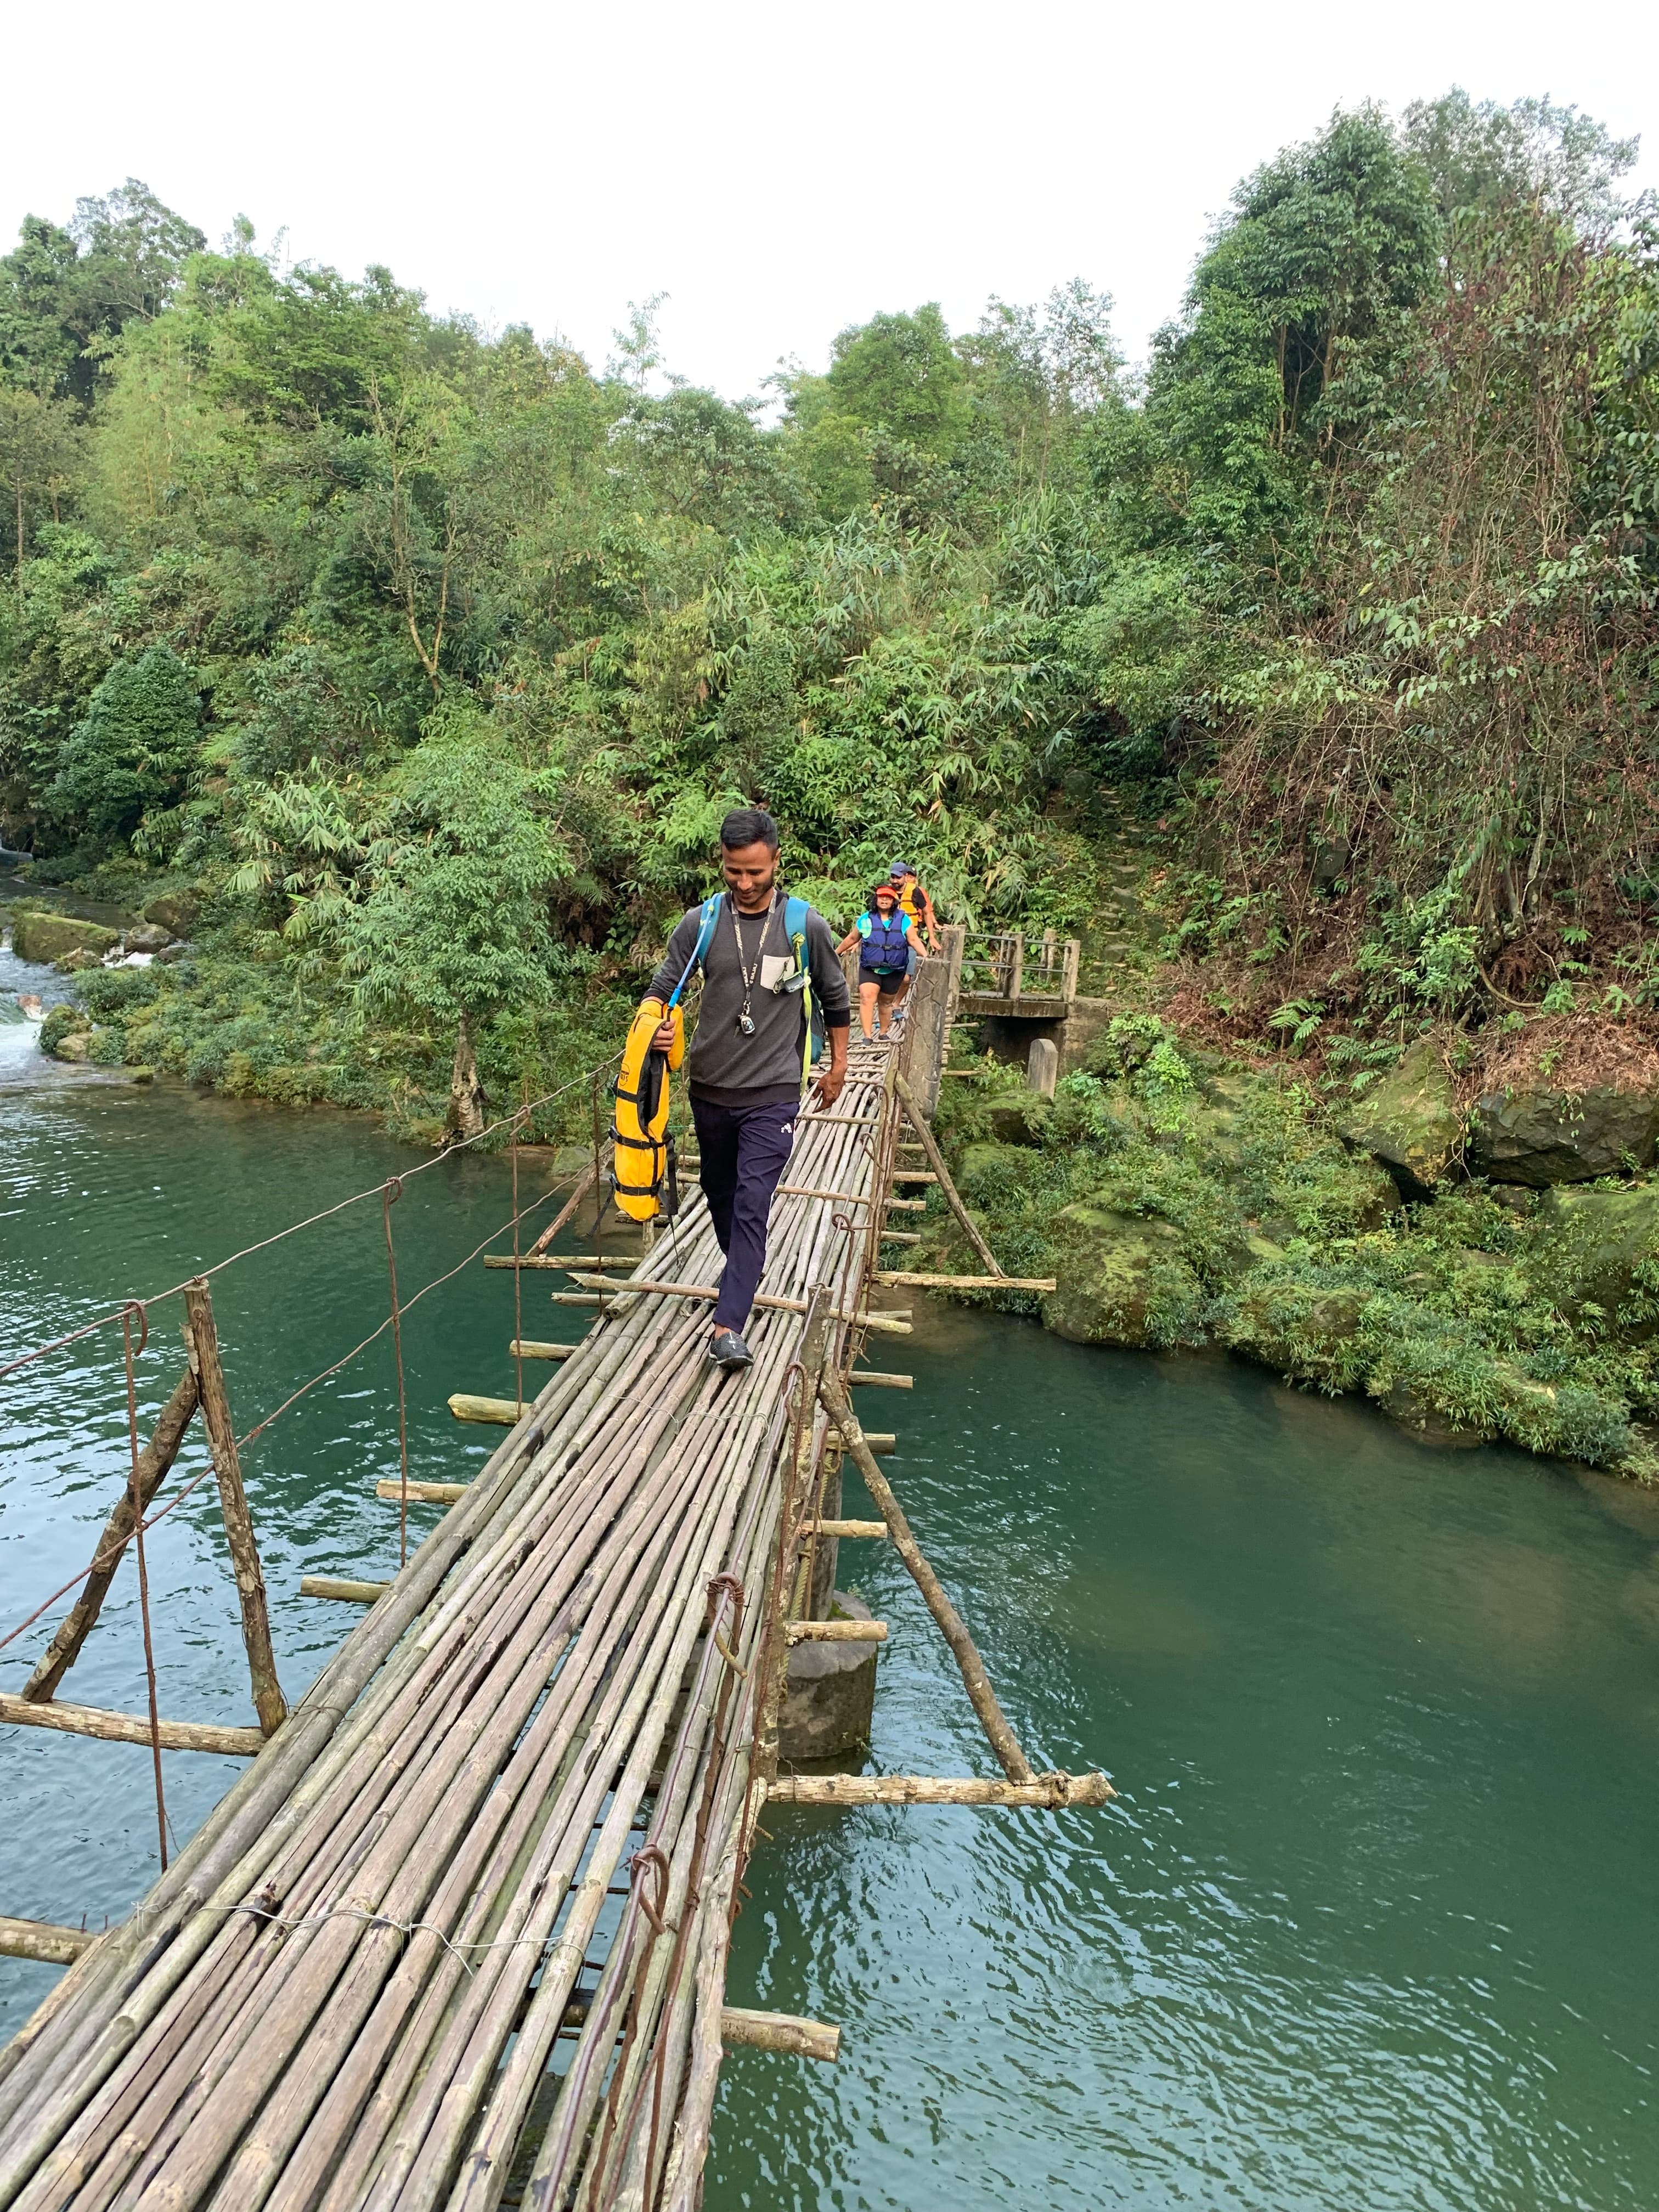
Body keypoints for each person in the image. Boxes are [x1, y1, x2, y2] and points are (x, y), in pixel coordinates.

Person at [641, 808, 850, 1373]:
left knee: (753, 1204)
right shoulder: (702, 922)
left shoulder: (806, 926)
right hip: (710, 1087)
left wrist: (839, 1066)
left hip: (774, 1091)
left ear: (777, 861)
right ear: (724, 863)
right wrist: (655, 1025)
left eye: (756, 872)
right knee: (720, 1191)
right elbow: (664, 986)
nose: (746, 883)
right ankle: (743, 1269)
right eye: (735, 871)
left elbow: (836, 1000)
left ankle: (728, 1325)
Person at [836, 882, 923, 1042]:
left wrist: (925, 956)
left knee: (886, 1003)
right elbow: (852, 938)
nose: (884, 900)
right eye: (881, 897)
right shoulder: (866, 919)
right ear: (876, 899)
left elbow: (913, 939)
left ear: (893, 901)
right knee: (867, 997)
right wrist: (836, 952)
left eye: (888, 898)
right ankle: (868, 1036)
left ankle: (883, 1032)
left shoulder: (903, 920)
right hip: (870, 968)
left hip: (894, 969)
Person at [889, 860, 939, 1005]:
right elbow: (873, 917)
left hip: (910, 940)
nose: (895, 881)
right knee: (889, 975)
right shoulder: (887, 893)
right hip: (889, 941)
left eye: (898, 877)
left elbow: (927, 912)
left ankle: (896, 1003)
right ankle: (886, 1003)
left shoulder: (916, 892)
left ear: (905, 876)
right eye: (893, 877)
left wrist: (932, 937)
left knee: (906, 978)